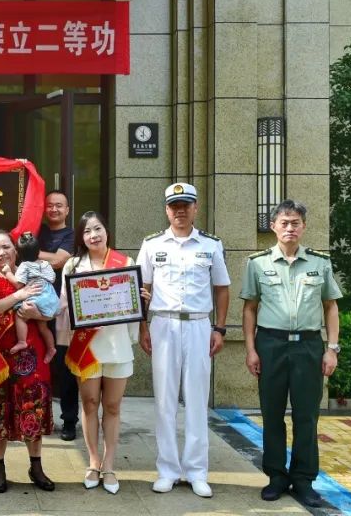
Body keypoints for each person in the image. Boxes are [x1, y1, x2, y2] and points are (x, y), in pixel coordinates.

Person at [242, 200, 342, 508]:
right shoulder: (257, 263)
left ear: (304, 226)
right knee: (271, 413)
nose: (289, 228)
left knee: (306, 415)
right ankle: (276, 476)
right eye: (284, 223)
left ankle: (303, 480)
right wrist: (251, 349)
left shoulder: (319, 263)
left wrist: (331, 349)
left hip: (308, 347)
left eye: (295, 222)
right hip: (270, 345)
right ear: (273, 226)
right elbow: (249, 308)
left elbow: (330, 306)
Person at [138, 183, 230, 498]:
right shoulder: (151, 245)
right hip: (163, 324)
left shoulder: (210, 245)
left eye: (185, 205)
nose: (180, 211)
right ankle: (167, 470)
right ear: (167, 210)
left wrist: (219, 329)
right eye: (174, 205)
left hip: (199, 325)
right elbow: (142, 288)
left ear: (195, 208)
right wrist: (143, 327)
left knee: (196, 399)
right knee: (164, 401)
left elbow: (222, 288)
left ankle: (196, 471)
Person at [57, 212, 141, 495]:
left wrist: (140, 301)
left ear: (107, 231)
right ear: (81, 238)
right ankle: (93, 462)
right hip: (87, 347)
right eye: (87, 231)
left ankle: (109, 465)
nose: (93, 235)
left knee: (113, 406)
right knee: (90, 403)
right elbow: (64, 303)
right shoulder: (73, 265)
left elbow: (132, 303)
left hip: (117, 344)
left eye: (98, 229)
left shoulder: (125, 263)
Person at [0, 230, 54, 493]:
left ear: (15, 249)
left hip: (32, 352)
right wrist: (18, 297)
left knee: (33, 407)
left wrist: (36, 313)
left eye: (5, 247)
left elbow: (50, 310)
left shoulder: (32, 273)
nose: (1, 253)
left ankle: (36, 466)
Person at [38, 190, 78, 441]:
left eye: (59, 205)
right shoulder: (37, 230)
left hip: (62, 310)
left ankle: (69, 420)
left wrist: (31, 253)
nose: (54, 209)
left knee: (64, 367)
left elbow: (59, 261)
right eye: (50, 205)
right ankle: (38, 417)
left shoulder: (72, 235)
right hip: (35, 307)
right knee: (38, 364)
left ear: (67, 210)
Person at [5, 232, 57, 360]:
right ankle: (51, 348)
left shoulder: (24, 265)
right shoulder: (45, 264)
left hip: (36, 298)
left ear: (18, 253)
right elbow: (53, 278)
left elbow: (18, 284)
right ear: (38, 251)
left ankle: (22, 341)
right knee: (43, 327)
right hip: (50, 299)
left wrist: (8, 273)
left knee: (20, 316)